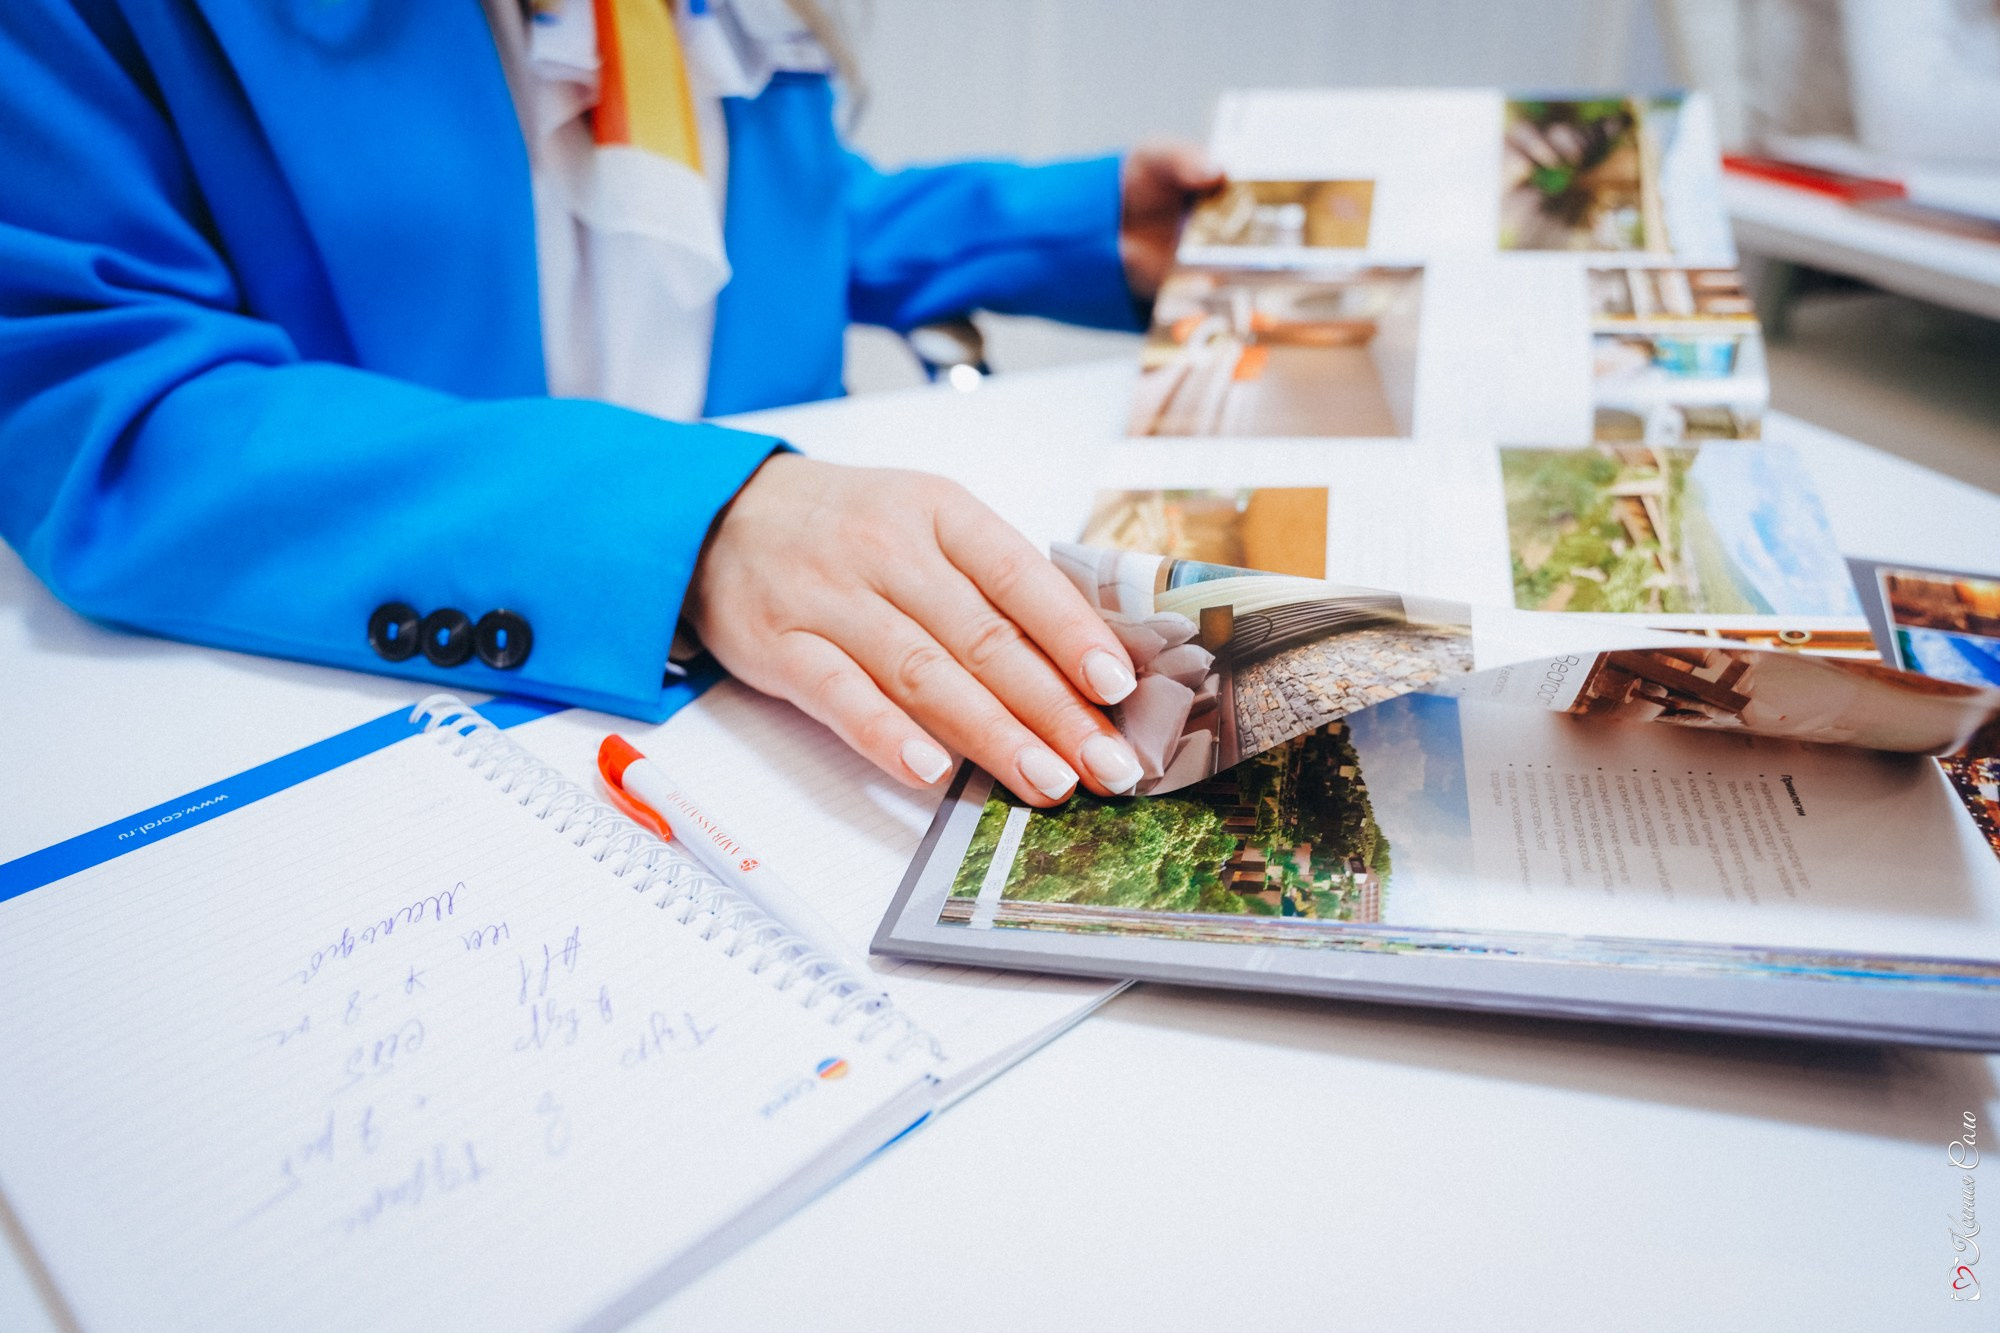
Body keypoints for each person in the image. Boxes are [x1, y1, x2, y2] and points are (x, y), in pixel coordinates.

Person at [0, 0, 1222, 808]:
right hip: (402, 731)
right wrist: (692, 523)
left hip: (762, 722)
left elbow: (742, 221)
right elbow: (101, 405)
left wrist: (1072, 227)